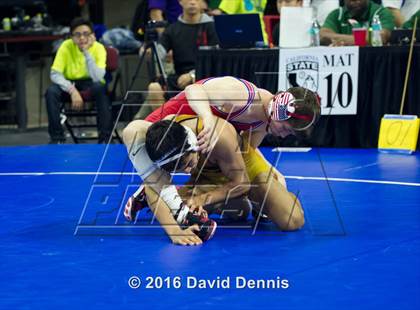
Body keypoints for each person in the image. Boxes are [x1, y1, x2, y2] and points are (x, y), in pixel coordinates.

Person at [123, 76, 318, 243]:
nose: (283, 135)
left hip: (214, 146)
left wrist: (269, 174)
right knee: (177, 201)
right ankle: (172, 197)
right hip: (179, 131)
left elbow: (245, 152)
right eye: (285, 128)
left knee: (291, 219)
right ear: (278, 110)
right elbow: (194, 89)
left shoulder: (261, 121)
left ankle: (191, 196)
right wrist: (207, 117)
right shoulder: (244, 96)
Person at [135, 0, 219, 119]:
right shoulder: (172, 29)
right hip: (179, 78)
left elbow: (215, 60)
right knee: (154, 87)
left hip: (204, 78)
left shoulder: (212, 27)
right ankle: (165, 128)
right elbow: (159, 53)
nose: (192, 2)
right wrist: (148, 52)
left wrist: (192, 76)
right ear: (180, 2)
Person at [45, 17, 112, 144]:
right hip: (69, 84)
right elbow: (55, 74)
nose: (82, 38)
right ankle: (57, 138)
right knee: (51, 92)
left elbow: (98, 77)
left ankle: (105, 138)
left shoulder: (98, 48)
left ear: (92, 35)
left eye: (86, 34)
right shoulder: (65, 46)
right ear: (71, 36)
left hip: (91, 83)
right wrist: (72, 90)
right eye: (78, 34)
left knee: (100, 88)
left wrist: (86, 52)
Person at [320, 0, 395, 46]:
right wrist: (364, 40)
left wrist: (342, 41)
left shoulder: (381, 12)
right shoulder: (337, 14)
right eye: (351, 0)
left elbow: (380, 38)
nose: (355, 2)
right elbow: (322, 35)